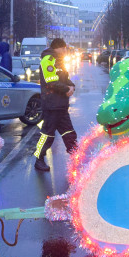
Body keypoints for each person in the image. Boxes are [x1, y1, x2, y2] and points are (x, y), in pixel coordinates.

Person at [33, 38, 77, 172]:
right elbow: (51, 81)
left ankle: (77, 158)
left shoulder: (59, 61)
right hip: (52, 105)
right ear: (58, 48)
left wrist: (71, 86)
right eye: (64, 48)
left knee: (69, 132)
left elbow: (63, 79)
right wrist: (66, 89)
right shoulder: (48, 60)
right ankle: (38, 159)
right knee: (47, 135)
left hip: (61, 105)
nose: (65, 51)